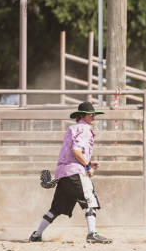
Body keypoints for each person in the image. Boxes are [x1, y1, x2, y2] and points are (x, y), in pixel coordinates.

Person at [30, 102, 111, 243]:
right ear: (83, 115)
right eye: (91, 114)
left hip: (63, 173)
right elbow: (76, 150)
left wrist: (88, 163)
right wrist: (87, 166)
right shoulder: (85, 129)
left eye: (94, 114)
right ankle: (92, 233)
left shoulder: (73, 129)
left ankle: (37, 234)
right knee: (90, 200)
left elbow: (71, 153)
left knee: (55, 208)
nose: (93, 117)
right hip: (75, 172)